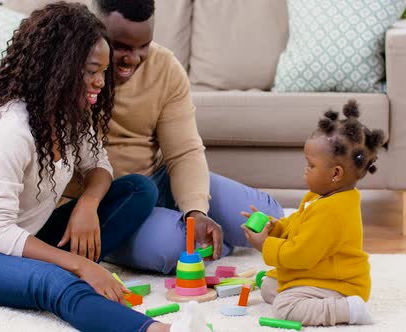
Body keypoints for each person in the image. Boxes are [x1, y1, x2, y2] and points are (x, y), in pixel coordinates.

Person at [0, 3, 205, 331]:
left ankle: (64, 269)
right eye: (92, 71)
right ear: (60, 67)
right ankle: (155, 330)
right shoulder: (12, 131)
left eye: (102, 73)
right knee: (56, 283)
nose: (100, 82)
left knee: (138, 189)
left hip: (29, 235)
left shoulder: (69, 116)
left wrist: (89, 205)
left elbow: (99, 164)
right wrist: (79, 265)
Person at [85, 0, 284, 274]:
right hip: (111, 201)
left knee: (267, 217)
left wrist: (196, 212)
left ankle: (194, 227)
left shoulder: (164, 66)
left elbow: (184, 152)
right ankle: (198, 238)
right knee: (177, 246)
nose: (134, 59)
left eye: (143, 45)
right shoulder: (73, 72)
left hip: (158, 180)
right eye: (121, 46)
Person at [241, 100, 385, 326]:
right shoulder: (319, 197)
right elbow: (296, 227)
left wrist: (264, 245)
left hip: (338, 285)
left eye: (311, 165)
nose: (305, 170)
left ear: (336, 174)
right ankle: (304, 295)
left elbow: (300, 254)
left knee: (285, 306)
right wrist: (273, 227)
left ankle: (349, 309)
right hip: (317, 274)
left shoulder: (332, 213)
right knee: (270, 286)